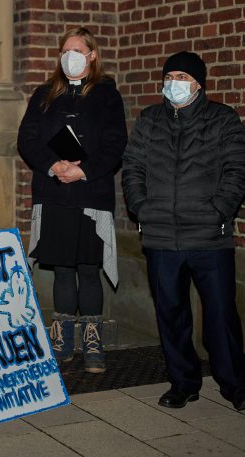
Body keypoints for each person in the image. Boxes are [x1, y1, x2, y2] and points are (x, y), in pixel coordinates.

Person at [122, 51, 245, 410]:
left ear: (198, 83)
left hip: (209, 236)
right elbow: (132, 167)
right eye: (170, 76)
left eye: (182, 77)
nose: (174, 83)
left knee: (221, 316)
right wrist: (141, 208)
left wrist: (218, 210)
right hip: (161, 236)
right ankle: (182, 382)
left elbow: (237, 170)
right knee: (171, 314)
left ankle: (235, 383)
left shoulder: (222, 120)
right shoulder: (150, 120)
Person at [17, 27, 127, 374]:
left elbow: (115, 143)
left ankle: (92, 341)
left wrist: (84, 171)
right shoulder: (44, 94)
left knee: (89, 268)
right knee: (63, 269)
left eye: (76, 49)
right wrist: (53, 165)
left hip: (90, 195)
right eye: (64, 50)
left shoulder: (108, 95)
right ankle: (62, 337)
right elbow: (27, 138)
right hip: (54, 195)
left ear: (92, 55)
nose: (69, 55)